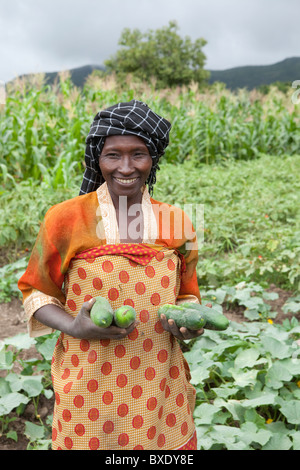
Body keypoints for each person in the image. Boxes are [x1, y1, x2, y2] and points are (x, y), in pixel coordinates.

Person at [18, 100, 205, 451]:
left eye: (138, 154)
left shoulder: (181, 220)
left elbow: (188, 295)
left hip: (160, 387)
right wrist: (74, 326)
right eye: (113, 155)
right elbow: (35, 291)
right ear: (96, 159)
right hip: (88, 387)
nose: (126, 167)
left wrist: (188, 326)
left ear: (153, 159)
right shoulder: (65, 218)